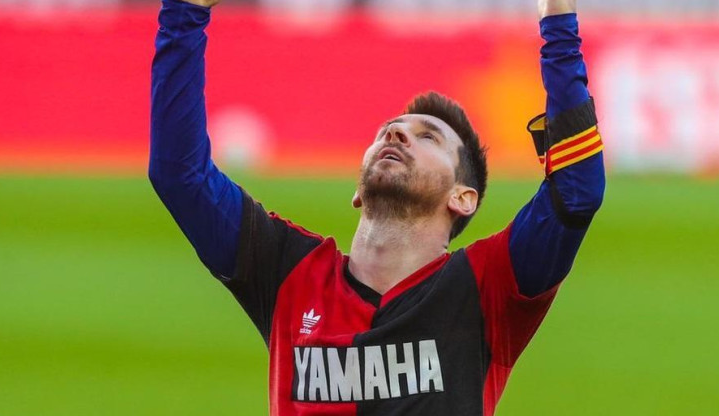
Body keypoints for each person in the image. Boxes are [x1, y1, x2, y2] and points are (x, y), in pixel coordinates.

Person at [149, 0, 605, 413]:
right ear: (358, 191)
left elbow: (576, 191)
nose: (396, 134)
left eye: (427, 136)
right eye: (388, 130)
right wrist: (185, 13)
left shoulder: (487, 287)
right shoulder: (288, 273)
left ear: (462, 198)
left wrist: (557, 19)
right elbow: (180, 176)